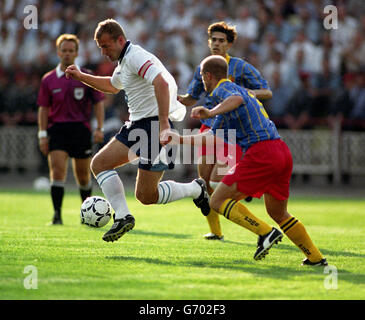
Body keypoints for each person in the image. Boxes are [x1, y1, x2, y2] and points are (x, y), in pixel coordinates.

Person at [167, 55, 327, 266]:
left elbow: (237, 100)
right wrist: (179, 139)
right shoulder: (230, 97)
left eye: (201, 77)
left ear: (207, 76)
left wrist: (210, 111)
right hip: (280, 151)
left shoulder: (224, 90)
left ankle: (265, 233)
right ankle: (315, 257)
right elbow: (213, 136)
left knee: (216, 200)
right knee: (279, 213)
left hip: (262, 153)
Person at [65, 19, 210, 242]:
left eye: (106, 46)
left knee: (135, 188)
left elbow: (161, 82)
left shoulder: (136, 56)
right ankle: (126, 216)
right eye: (100, 48)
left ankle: (193, 190)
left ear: (120, 40)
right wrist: (82, 77)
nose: (104, 52)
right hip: (139, 125)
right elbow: (112, 86)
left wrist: (163, 124)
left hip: (152, 126)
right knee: (124, 180)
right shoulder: (125, 62)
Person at [178, 21, 272, 241]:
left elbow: (267, 92)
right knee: (205, 182)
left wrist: (245, 94)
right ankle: (216, 231)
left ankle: (259, 224)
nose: (217, 44)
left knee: (218, 183)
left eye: (221, 40)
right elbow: (191, 98)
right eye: (214, 40)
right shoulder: (204, 66)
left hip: (232, 131)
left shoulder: (241, 66)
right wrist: (173, 96)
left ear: (229, 44)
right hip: (210, 127)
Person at [37, 33, 105, 225]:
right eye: (64, 50)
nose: (67, 54)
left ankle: (87, 216)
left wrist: (98, 127)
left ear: (76, 53)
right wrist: (42, 134)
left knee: (83, 176)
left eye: (71, 50)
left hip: (80, 130)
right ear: (58, 52)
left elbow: (98, 103)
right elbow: (43, 108)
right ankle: (57, 215)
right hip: (57, 129)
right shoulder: (48, 80)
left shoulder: (86, 76)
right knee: (57, 171)